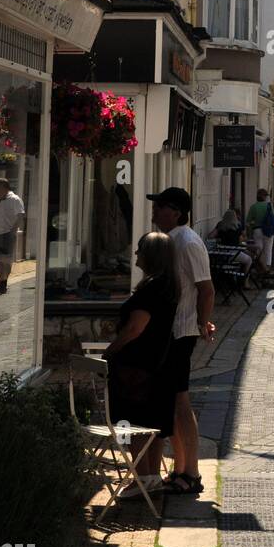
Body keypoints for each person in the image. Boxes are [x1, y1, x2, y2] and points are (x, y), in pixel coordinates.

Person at [144, 188, 214, 496]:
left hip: (181, 331)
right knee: (171, 403)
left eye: (159, 207)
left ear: (175, 211)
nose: (154, 212)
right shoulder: (171, 241)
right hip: (169, 332)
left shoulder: (187, 243)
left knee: (180, 402)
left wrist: (202, 322)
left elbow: (206, 288)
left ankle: (192, 472)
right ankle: (180, 469)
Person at [105, 231, 178, 499]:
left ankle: (140, 479)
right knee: (152, 423)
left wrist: (112, 350)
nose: (135, 254)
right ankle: (150, 477)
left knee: (134, 423)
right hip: (156, 363)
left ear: (150, 255)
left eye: (139, 250)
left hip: (138, 367)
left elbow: (136, 327)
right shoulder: (167, 284)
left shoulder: (152, 288)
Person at [0, 176, 24, 295]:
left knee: (6, 259)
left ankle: (3, 283)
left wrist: (13, 231)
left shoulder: (15, 199)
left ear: (3, 187)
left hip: (7, 232)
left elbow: (20, 216)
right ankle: (2, 283)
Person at [246, 188, 274, 272]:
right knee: (268, 250)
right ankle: (267, 269)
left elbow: (248, 222)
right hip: (268, 231)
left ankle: (259, 269)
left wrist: (249, 231)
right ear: (265, 197)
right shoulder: (269, 206)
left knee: (258, 250)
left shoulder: (253, 207)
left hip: (257, 230)